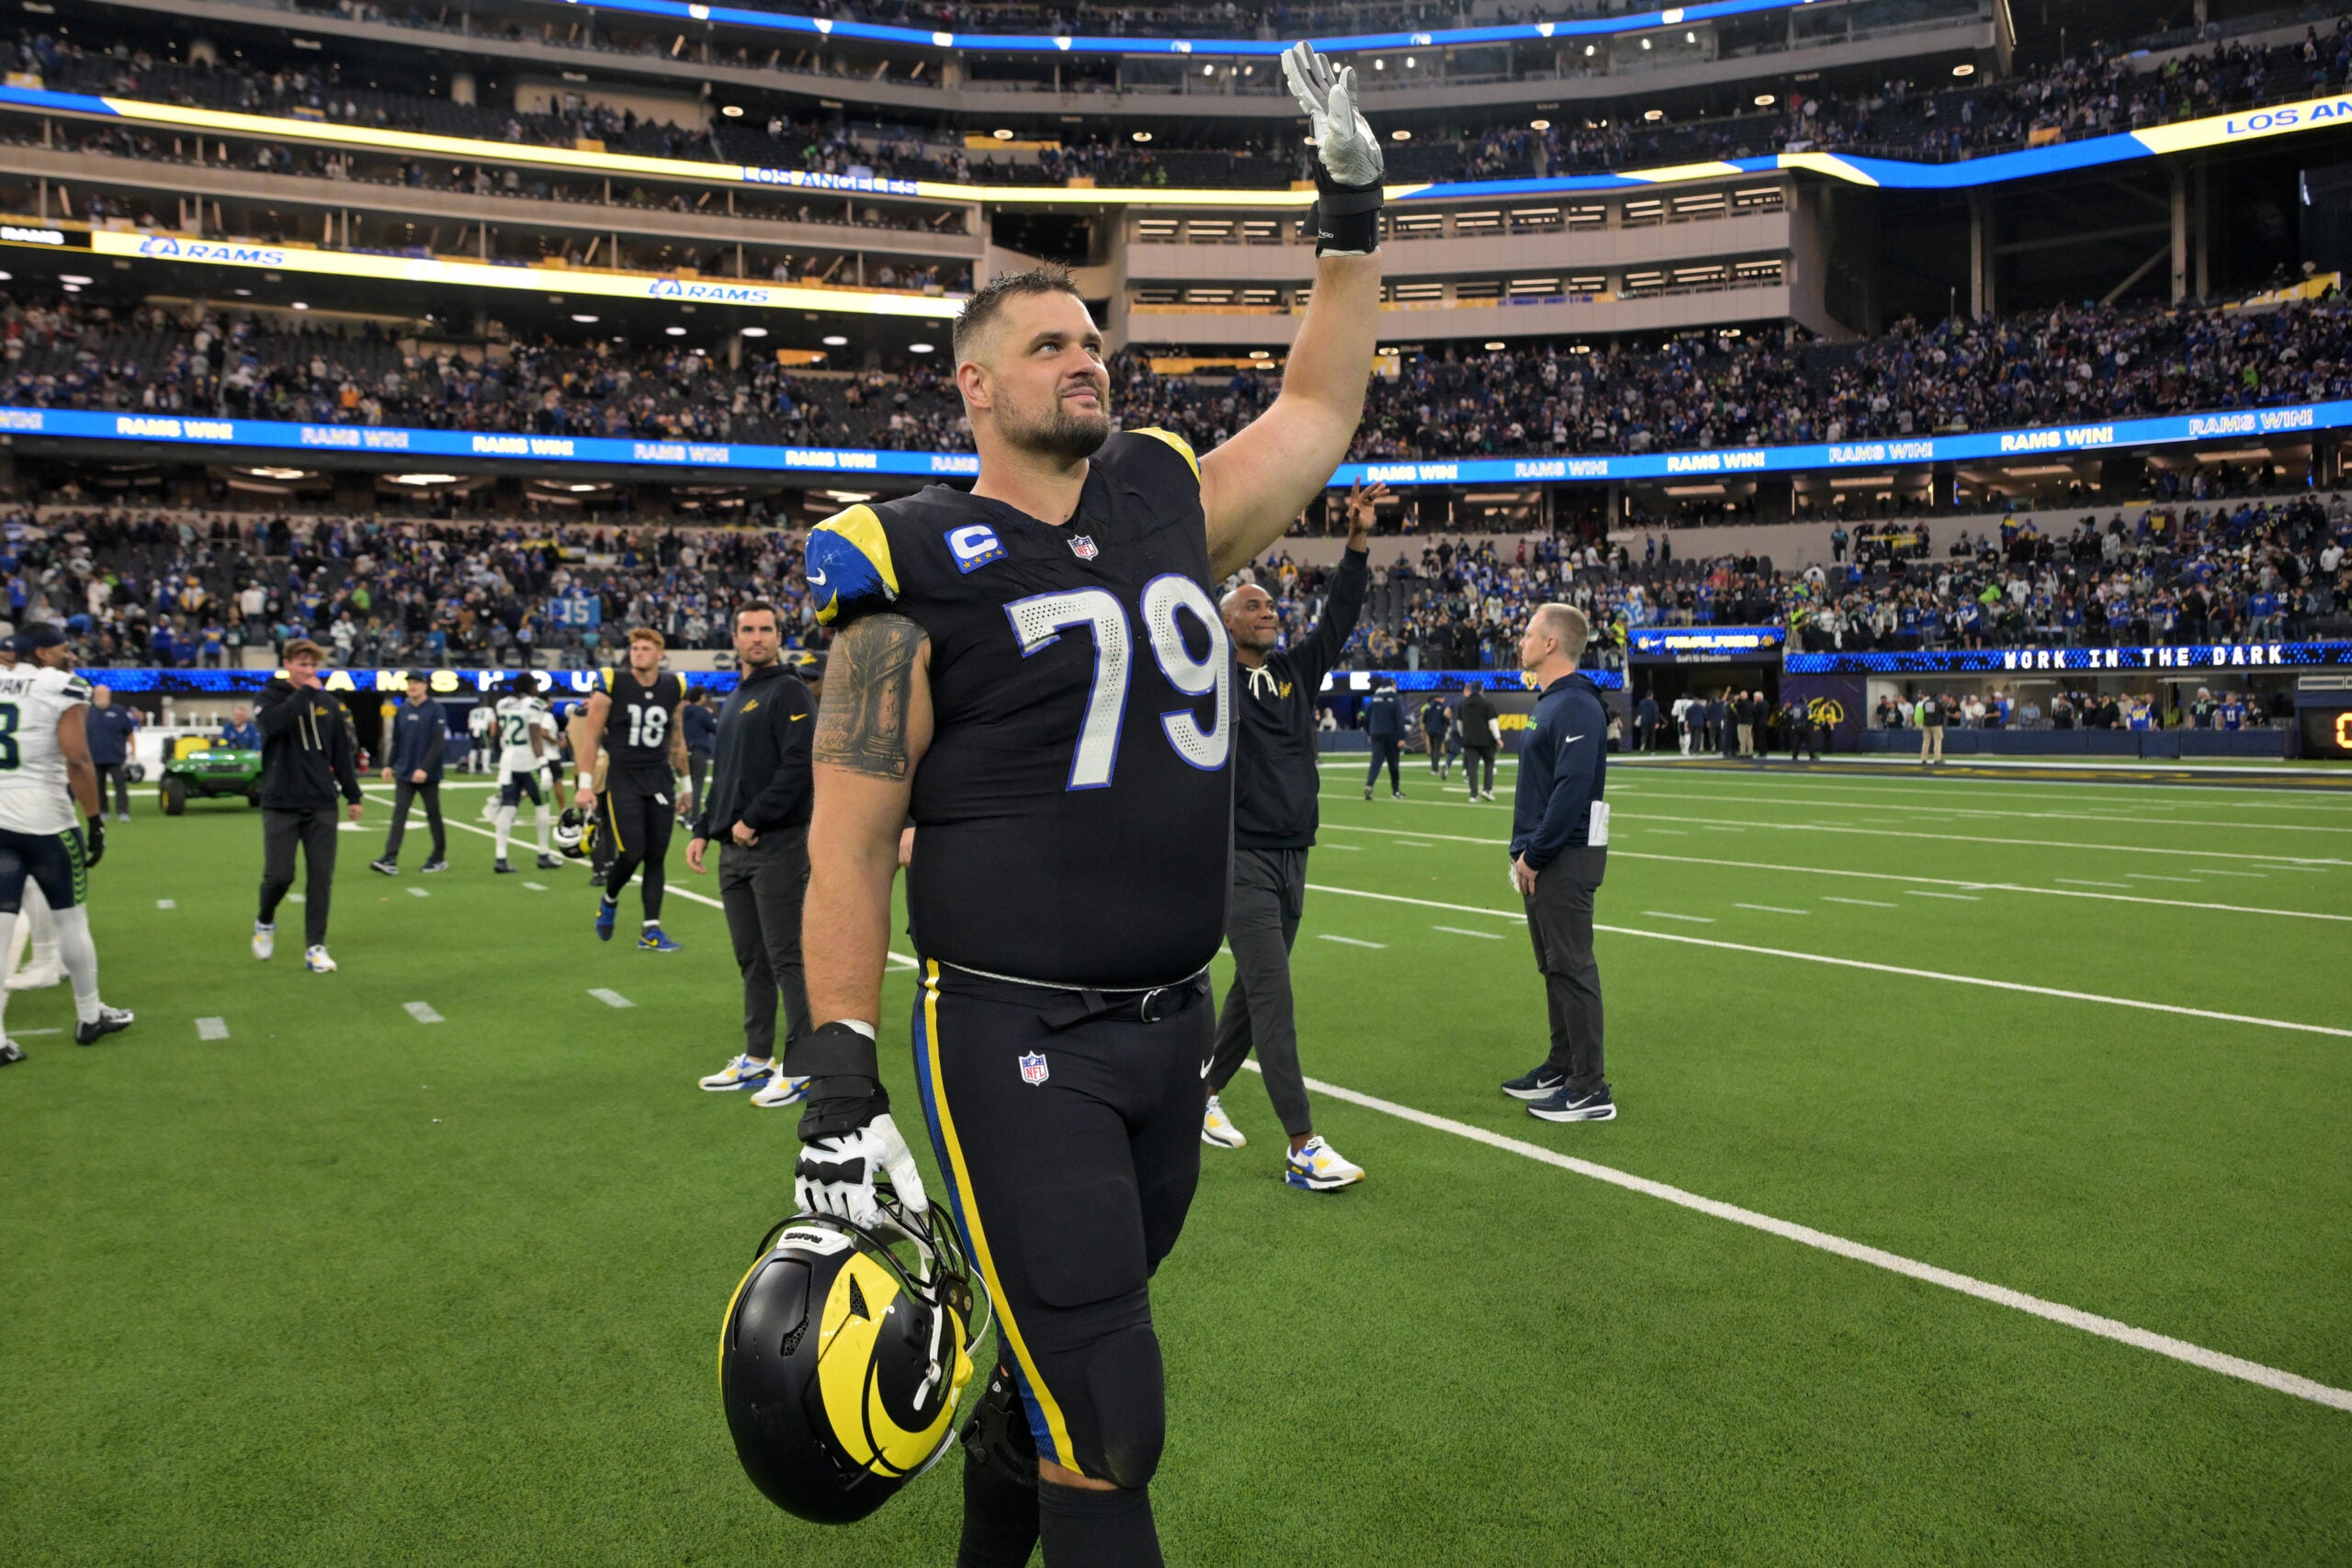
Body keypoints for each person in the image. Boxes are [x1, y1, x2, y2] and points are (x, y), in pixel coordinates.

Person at [787, 45, 1381, 1561]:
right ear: (973, 386)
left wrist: (1354, 215)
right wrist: (841, 1076)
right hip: (1013, 1029)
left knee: (1049, 1380)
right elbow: (851, 838)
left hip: (1169, 1028)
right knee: (1113, 1417)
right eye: (1050, 342)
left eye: (1093, 337)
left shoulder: (1163, 493)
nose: (1086, 356)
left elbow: (1316, 410)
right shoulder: (904, 564)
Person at [1201, 479, 1374, 1189]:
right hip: (1238, 859)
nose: (1269, 610)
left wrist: (1357, 540)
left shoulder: (1295, 673)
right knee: (1275, 996)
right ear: (1223, 623)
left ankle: (1199, 1093)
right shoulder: (1206, 678)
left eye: (1272, 603)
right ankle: (1303, 1144)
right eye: (1252, 604)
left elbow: (1339, 614)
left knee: (1250, 991)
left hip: (1294, 856)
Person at [690, 603, 818, 1110]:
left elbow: (799, 765)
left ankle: (804, 1063)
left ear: (778, 636)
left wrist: (754, 819)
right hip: (733, 849)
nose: (757, 637)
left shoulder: (788, 689)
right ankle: (758, 1056)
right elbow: (726, 776)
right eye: (748, 630)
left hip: (775, 846)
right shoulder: (736, 696)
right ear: (735, 638)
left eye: (766, 629)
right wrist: (705, 828)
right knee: (752, 960)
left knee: (788, 957)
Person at [1500, 604, 1613, 1124]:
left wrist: (1535, 854)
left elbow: (1570, 791)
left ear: (1550, 644)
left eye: (1528, 633)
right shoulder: (1552, 702)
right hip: (1545, 855)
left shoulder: (1576, 705)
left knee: (1572, 965)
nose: (1520, 640)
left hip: (1562, 856)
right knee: (1554, 966)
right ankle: (1562, 1065)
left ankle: (1591, 1087)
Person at [0, 625, 131, 1065]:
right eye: (63, 648)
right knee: (71, 917)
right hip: (46, 820)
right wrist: (94, 820)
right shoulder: (60, 684)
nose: (70, 654)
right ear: (41, 652)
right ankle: (90, 1014)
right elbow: (76, 756)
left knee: (0, 922)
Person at [571, 627, 688, 950]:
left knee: (656, 856)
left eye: (646, 648)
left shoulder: (674, 685)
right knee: (632, 851)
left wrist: (687, 785)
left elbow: (677, 740)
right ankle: (609, 899)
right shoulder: (612, 682)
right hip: (623, 778)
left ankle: (651, 931)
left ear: (660, 654)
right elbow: (591, 737)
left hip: (660, 779)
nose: (638, 652)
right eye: (635, 647)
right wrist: (585, 786)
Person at [254, 639, 365, 973]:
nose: (308, 670)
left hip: (321, 802)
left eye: (312, 665)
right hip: (280, 802)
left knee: (320, 877)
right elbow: (273, 724)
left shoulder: (328, 704)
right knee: (279, 875)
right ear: (287, 664)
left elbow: (340, 754)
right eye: (302, 664)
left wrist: (353, 794)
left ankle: (315, 947)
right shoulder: (269, 697)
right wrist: (303, 694)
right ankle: (265, 920)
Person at [368, 672, 449, 875]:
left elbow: (438, 742)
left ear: (424, 686)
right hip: (405, 772)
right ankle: (390, 857)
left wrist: (425, 768)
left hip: (428, 775)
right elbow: (397, 740)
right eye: (409, 683)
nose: (412, 686)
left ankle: (438, 856)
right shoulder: (402, 710)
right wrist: (388, 765)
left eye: (416, 683)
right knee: (399, 814)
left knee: (433, 814)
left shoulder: (435, 710)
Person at [490, 675, 561, 874]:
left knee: (508, 808)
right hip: (528, 760)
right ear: (530, 686)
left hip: (508, 760)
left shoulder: (503, 704)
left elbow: (502, 732)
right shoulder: (535, 704)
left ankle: (501, 857)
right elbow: (534, 736)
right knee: (542, 805)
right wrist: (544, 764)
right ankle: (543, 854)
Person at [85, 686, 139, 823]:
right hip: (95, 757)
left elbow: (129, 732)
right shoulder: (88, 712)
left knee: (120, 785)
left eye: (101, 694)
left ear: (108, 695)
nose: (98, 697)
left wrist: (133, 750)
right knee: (99, 787)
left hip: (115, 757)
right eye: (96, 694)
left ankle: (123, 812)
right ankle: (103, 811)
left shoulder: (118, 711)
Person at [1456, 680, 1499, 801]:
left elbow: (1459, 723)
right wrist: (1498, 738)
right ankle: (1487, 789)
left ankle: (1473, 795)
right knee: (1489, 763)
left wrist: (1462, 735)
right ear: (1481, 690)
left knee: (1472, 767)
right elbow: (1493, 722)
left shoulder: (1463, 704)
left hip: (1469, 740)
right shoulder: (1487, 704)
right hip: (1485, 739)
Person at [1362, 676, 1404, 798]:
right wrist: (1401, 737)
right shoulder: (1395, 698)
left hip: (1376, 734)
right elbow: (1399, 718)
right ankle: (1396, 791)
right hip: (1391, 735)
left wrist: (1370, 733)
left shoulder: (1374, 699)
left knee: (1376, 762)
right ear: (1392, 685)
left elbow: (1366, 717)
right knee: (1393, 764)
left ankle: (1369, 785)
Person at [682, 687, 718, 818]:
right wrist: (711, 715)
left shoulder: (683, 711)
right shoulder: (703, 712)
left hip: (684, 752)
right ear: (701, 697)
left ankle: (684, 812)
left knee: (687, 784)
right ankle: (694, 816)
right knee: (697, 784)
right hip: (699, 751)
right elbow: (716, 729)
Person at [1918, 690, 1946, 765]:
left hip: (1926, 724)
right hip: (1936, 724)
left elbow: (1924, 711)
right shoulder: (1938, 703)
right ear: (1936, 696)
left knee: (1925, 742)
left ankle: (1924, 759)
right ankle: (1937, 759)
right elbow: (1943, 712)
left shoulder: (1925, 703)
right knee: (1937, 742)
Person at [1633, 688, 1658, 754]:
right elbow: (1655, 712)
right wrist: (1657, 722)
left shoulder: (1642, 702)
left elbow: (1639, 712)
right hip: (1652, 721)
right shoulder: (1654, 703)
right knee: (1652, 736)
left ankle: (1642, 746)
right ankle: (1652, 750)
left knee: (1644, 734)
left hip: (1644, 720)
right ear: (1652, 695)